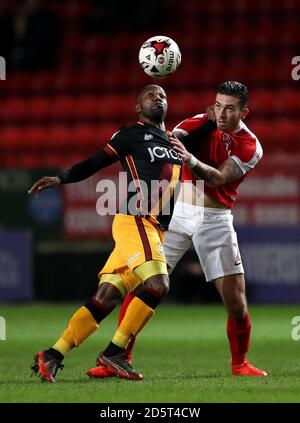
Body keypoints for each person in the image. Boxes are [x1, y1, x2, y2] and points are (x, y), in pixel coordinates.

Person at [88, 81, 268, 379]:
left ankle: (240, 364)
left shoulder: (251, 145)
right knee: (143, 283)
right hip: (178, 212)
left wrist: (190, 159)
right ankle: (118, 356)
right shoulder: (195, 124)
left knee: (236, 303)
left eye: (231, 108)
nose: (222, 113)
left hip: (216, 220)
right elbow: (159, 143)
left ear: (244, 112)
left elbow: (220, 178)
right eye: (219, 105)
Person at [29, 84, 184, 382]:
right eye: (150, 95)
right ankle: (115, 353)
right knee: (158, 284)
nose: (157, 98)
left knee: (106, 297)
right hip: (135, 219)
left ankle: (52, 355)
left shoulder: (174, 142)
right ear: (138, 107)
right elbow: (95, 162)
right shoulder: (130, 135)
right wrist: (61, 179)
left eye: (162, 95)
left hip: (154, 228)